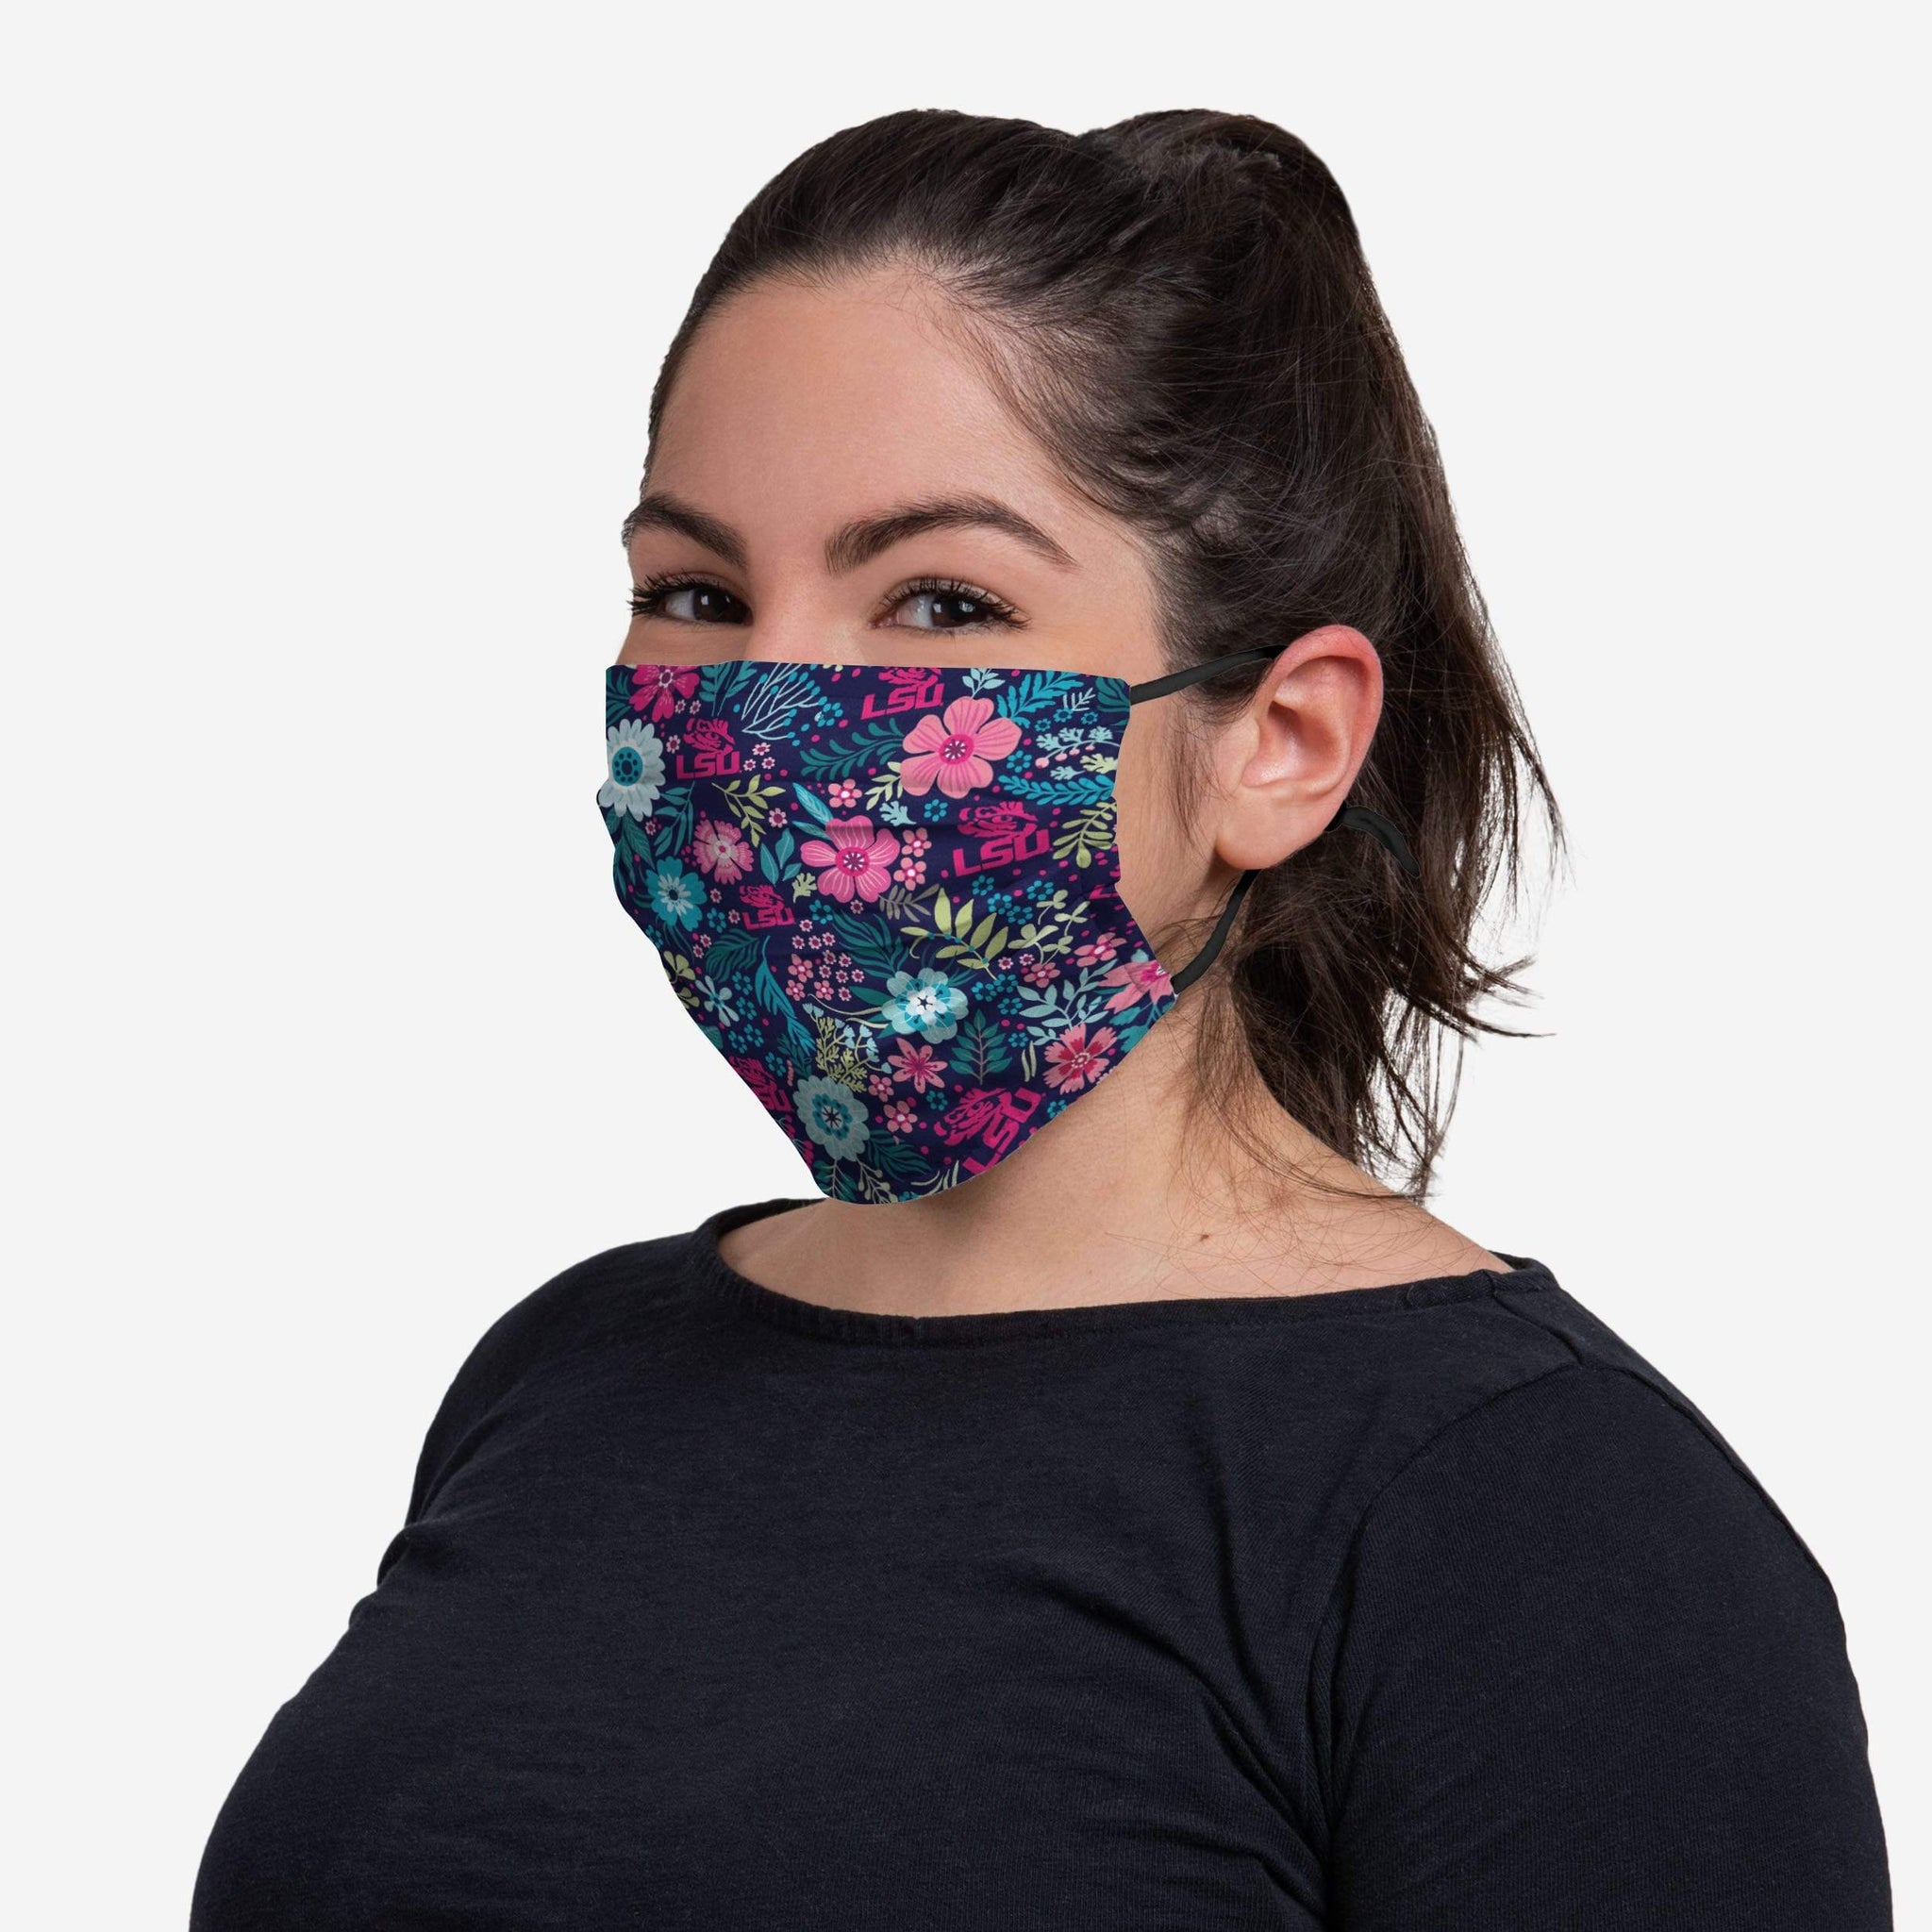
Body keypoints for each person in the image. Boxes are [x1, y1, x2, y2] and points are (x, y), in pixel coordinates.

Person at [191, 108, 1892, 1928]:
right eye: (697, 593)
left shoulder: (1547, 1517)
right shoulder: (568, 1371)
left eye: (941, 601)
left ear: (1279, 741)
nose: (766, 708)